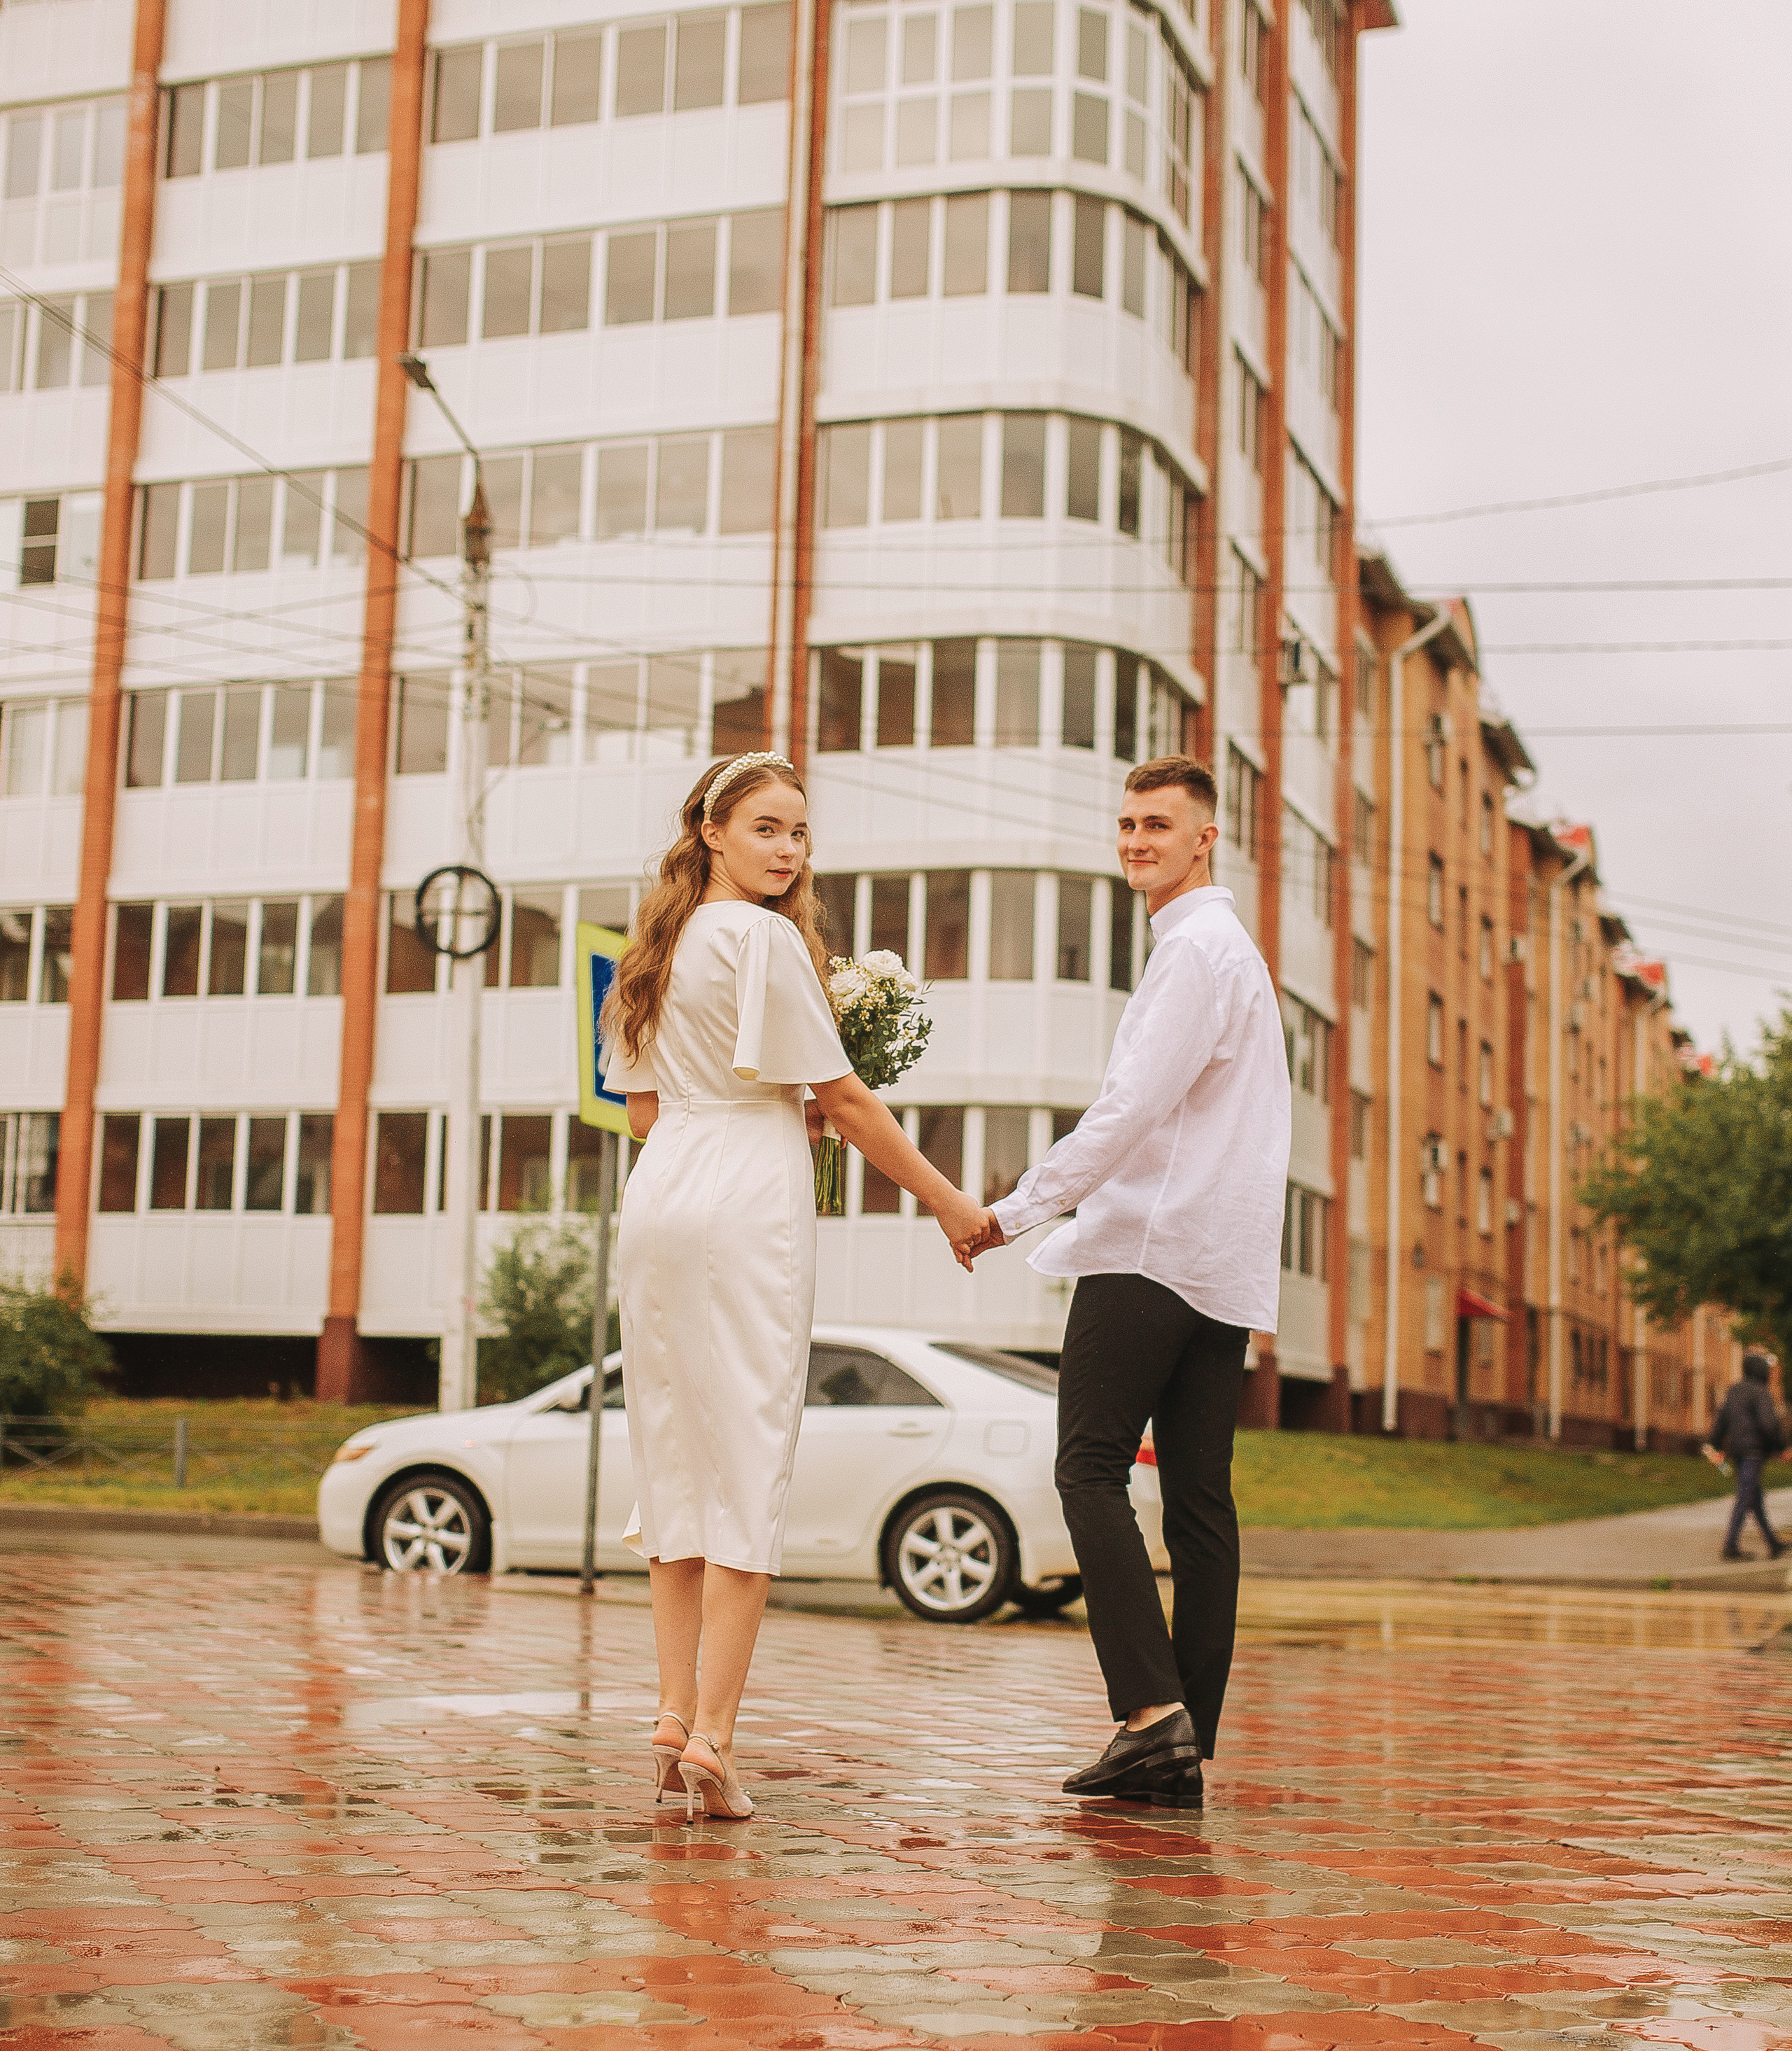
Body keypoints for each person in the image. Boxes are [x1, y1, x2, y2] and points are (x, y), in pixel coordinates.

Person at [601, 751, 988, 1821]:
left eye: (799, 833)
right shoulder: (766, 939)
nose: (788, 849)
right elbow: (849, 1103)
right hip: (743, 1205)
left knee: (673, 1458)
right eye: (767, 827)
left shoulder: (651, 951)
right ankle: (718, 1738)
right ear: (712, 832)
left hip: (662, 1193)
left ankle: (674, 1717)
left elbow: (643, 1111)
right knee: (748, 1459)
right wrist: (954, 1203)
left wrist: (777, 1107)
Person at [964, 755, 1290, 1809]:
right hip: (1219, 1262)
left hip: (1150, 1248)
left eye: (1158, 823)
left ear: (1207, 838)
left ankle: (1151, 1716)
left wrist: (1015, 1210)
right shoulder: (1231, 952)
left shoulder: (1194, 953)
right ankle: (1181, 1743)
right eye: (1126, 823)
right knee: (1199, 1505)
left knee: (1089, 1470)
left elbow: (1127, 1113)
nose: (1136, 839)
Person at [1704, 1352, 1788, 1560]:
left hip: (1737, 1450)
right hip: (1754, 1451)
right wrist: (1781, 1447)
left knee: (1753, 1496)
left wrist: (1714, 1443)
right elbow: (1768, 1424)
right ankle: (1730, 1546)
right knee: (1745, 1495)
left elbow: (1721, 1418)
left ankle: (1773, 1543)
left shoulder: (1734, 1391)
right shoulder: (1761, 1392)